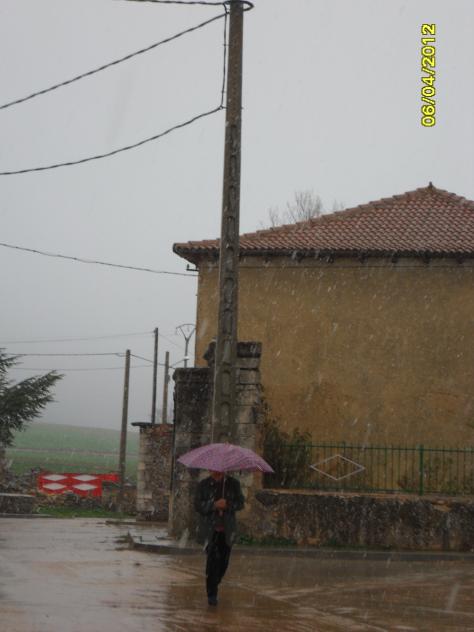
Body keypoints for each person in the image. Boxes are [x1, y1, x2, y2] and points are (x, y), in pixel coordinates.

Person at [194, 470, 245, 606]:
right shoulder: (203, 485)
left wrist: (227, 504)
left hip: (227, 532)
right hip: (210, 532)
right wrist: (214, 505)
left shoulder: (233, 484)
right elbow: (198, 506)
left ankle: (214, 581)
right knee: (212, 562)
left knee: (223, 564)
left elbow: (240, 503)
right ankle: (212, 594)